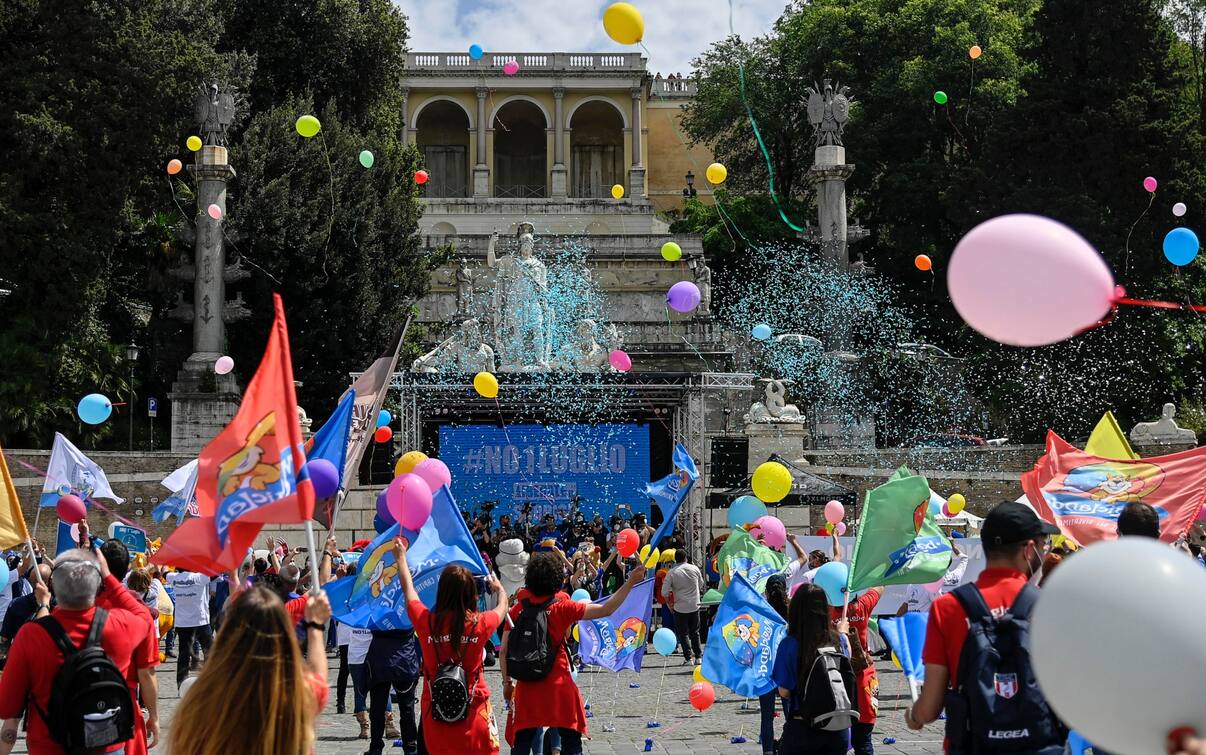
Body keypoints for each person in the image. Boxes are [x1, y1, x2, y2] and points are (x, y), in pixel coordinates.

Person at [905, 500, 1062, 753]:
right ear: (1029, 550)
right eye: (1044, 545)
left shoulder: (948, 608)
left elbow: (930, 708)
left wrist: (914, 717)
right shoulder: (1051, 606)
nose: (1045, 552)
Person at [0, 547, 158, 755]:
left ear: (54, 586)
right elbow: (142, 614)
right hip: (106, 745)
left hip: (50, 746)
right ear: (97, 585)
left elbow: (7, 707)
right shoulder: (121, 625)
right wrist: (109, 576)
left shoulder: (31, 635)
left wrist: (44, 605)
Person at [502, 553, 648, 755]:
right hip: (559, 684)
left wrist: (507, 683)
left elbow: (503, 651)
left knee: (522, 741)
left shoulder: (516, 610)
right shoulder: (563, 607)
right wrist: (631, 581)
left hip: (528, 685)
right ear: (557, 579)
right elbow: (607, 609)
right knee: (571, 739)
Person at [169, 583, 332, 755]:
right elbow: (317, 675)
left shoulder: (203, 697)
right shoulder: (297, 694)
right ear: (284, 635)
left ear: (229, 633)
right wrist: (315, 626)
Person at [396, 537, 505, 754]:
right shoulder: (481, 623)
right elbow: (503, 607)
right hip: (475, 709)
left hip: (436, 712)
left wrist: (401, 558)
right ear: (471, 594)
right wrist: (499, 588)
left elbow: (409, 592)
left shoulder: (427, 622)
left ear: (441, 591)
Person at [771, 584, 855, 755]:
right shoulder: (840, 641)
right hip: (836, 727)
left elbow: (784, 691)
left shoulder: (789, 644)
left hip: (802, 727)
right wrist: (843, 634)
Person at [101, 539, 160, 755]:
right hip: (125, 704)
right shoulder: (138, 613)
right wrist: (153, 716)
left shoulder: (79, 604)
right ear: (126, 570)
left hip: (80, 708)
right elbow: (147, 673)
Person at [758, 574, 791, 755]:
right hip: (786, 669)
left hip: (766, 668)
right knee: (791, 715)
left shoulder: (762, 612)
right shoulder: (792, 610)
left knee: (766, 716)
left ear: (767, 592)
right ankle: (789, 746)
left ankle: (768, 751)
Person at [166, 567, 213, 686]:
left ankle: (181, 684)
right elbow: (216, 572)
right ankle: (211, 681)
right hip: (200, 621)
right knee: (210, 652)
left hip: (183, 623)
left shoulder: (173, 577)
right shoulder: (199, 577)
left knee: (183, 655)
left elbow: (164, 572)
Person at [661, 549, 705, 665]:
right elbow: (701, 584)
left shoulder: (672, 572)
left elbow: (664, 592)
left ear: (676, 559)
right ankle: (698, 657)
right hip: (695, 604)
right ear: (686, 557)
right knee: (695, 632)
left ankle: (688, 658)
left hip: (680, 606)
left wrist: (669, 604)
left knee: (683, 633)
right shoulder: (695, 568)